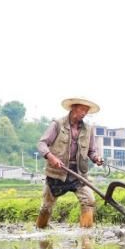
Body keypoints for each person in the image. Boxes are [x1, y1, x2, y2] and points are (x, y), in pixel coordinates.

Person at [36, 97, 105, 228]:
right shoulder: (57, 124)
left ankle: (86, 236)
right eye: (82, 109)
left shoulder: (88, 130)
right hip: (57, 173)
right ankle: (40, 230)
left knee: (89, 201)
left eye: (86, 110)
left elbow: (91, 151)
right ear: (73, 108)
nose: (84, 113)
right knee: (46, 206)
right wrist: (51, 157)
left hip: (78, 173)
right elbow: (41, 144)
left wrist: (96, 158)